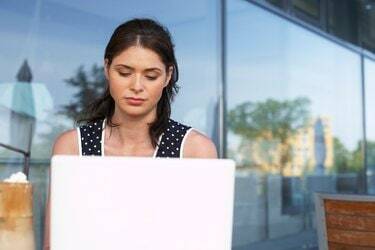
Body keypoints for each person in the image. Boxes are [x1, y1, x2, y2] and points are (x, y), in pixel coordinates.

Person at [43, 18, 217, 249]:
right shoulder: (72, 147)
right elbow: (54, 243)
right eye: (124, 72)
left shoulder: (195, 150)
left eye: (151, 75)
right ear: (107, 69)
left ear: (167, 75)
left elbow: (207, 242)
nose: (136, 86)